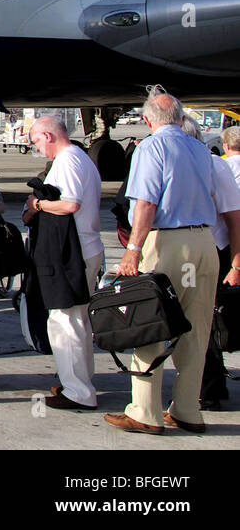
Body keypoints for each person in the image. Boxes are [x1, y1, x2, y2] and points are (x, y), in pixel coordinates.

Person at [104, 92, 240, 435]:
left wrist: (133, 250)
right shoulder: (201, 149)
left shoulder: (152, 147)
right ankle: (188, 410)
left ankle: (145, 411)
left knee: (150, 322)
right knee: (195, 330)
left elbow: (146, 203)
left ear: (149, 120)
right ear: (179, 117)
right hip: (204, 243)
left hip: (167, 242)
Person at [21, 116, 104, 410]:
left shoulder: (67, 161)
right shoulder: (81, 157)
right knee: (78, 320)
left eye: (36, 141)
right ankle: (80, 382)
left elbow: (69, 204)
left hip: (72, 254)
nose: (37, 148)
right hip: (88, 248)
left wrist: (37, 204)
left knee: (63, 321)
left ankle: (77, 391)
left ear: (48, 135)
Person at [181, 118, 240, 410]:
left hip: (212, 252)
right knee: (196, 319)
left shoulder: (216, 166)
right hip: (191, 254)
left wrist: (237, 263)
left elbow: (233, 217)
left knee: (201, 319)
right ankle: (207, 386)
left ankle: (209, 388)